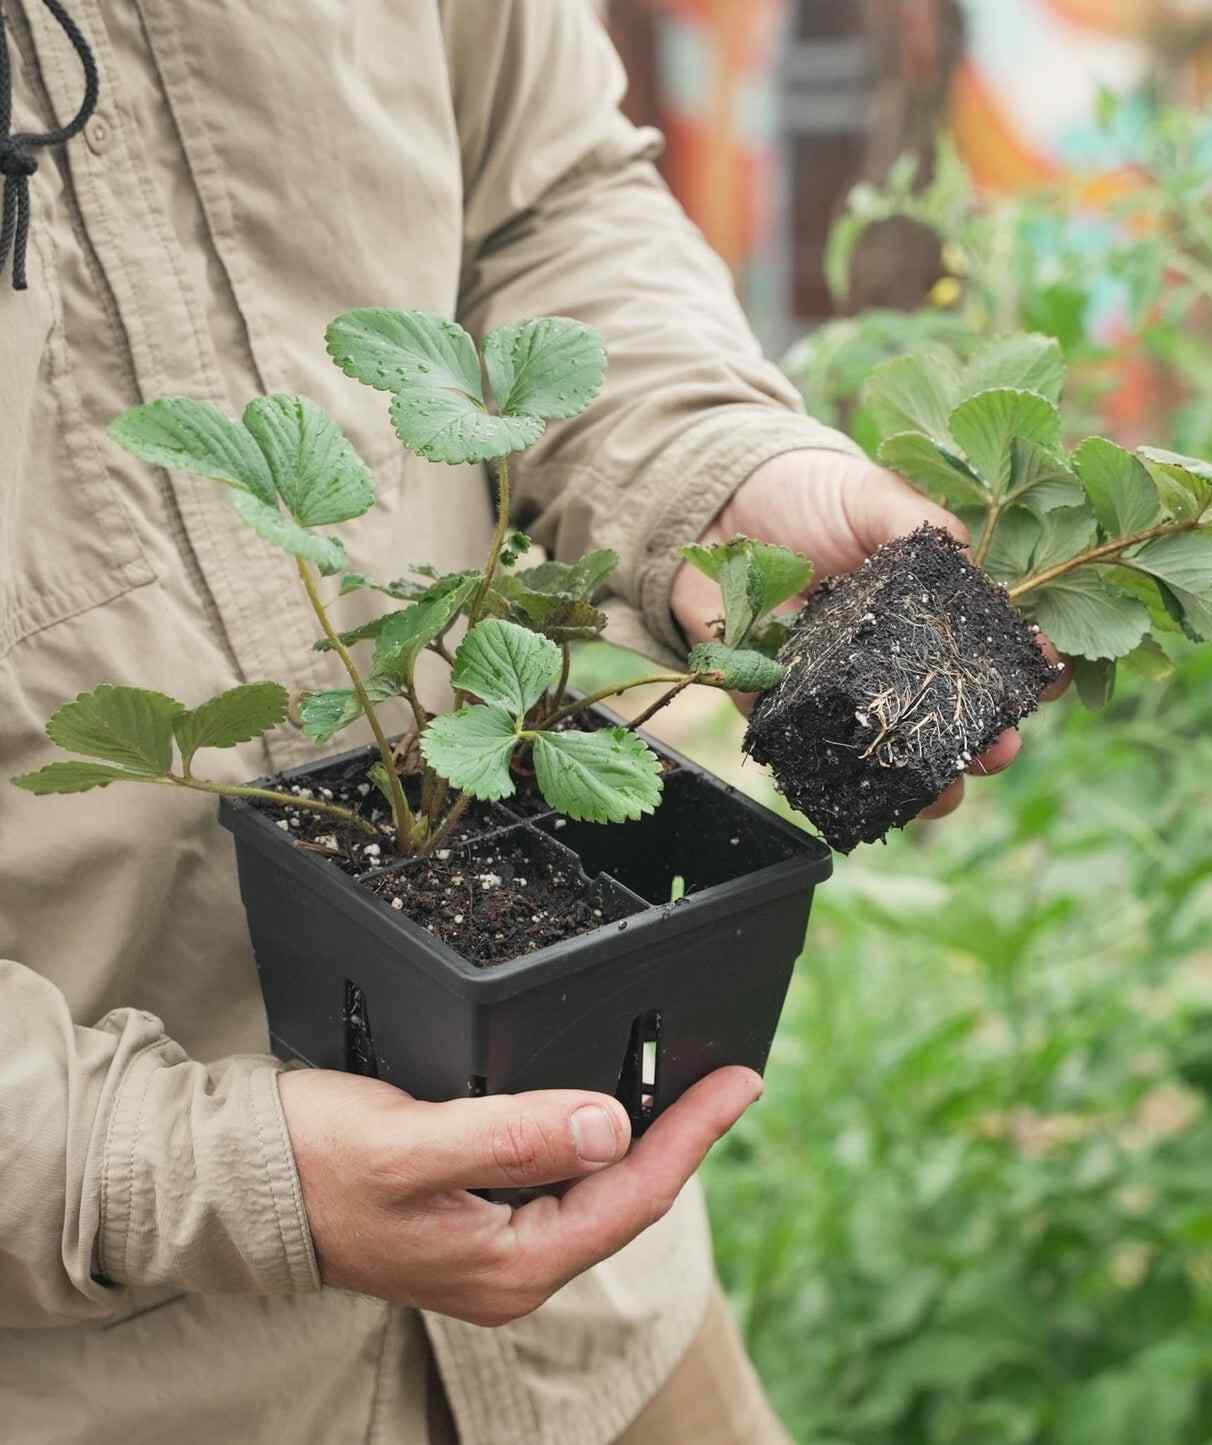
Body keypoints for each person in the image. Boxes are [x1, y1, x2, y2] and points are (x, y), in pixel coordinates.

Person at [0, 4, 1062, 1442]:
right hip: (143, 1387)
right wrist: (196, 1167)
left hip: (606, 1337)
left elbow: (544, 197)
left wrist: (711, 468)